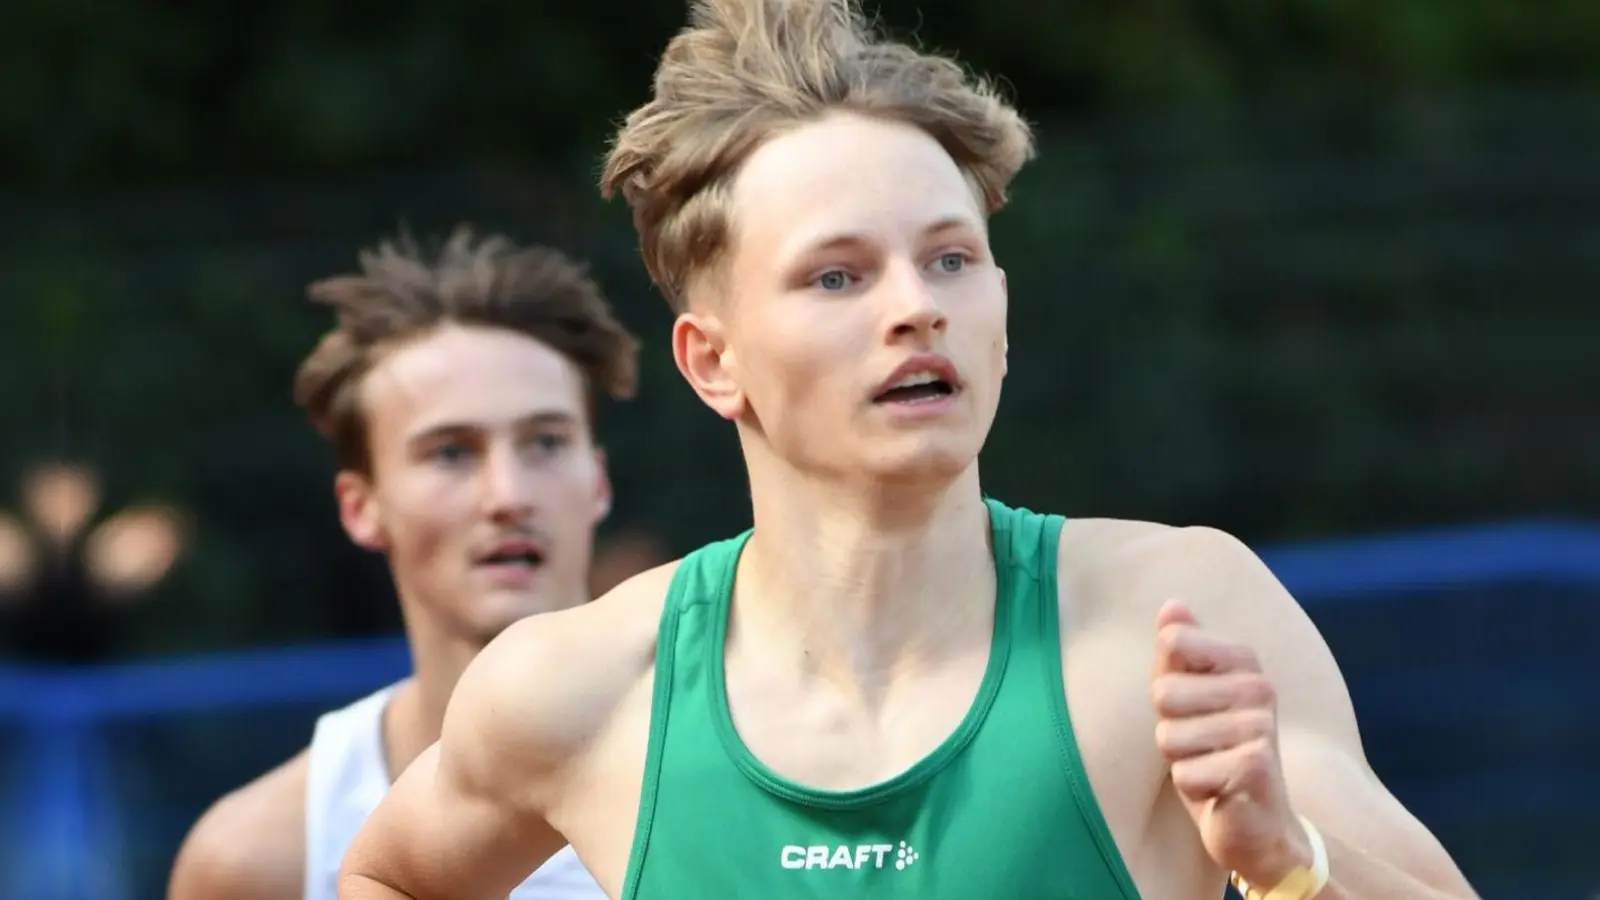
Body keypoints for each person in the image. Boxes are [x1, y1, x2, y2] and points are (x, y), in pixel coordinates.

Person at [336, 2, 1482, 899]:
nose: (915, 309)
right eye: (838, 275)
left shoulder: (1176, 618)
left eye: (949, 258)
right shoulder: (581, 688)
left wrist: (1287, 865)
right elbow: (388, 876)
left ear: (1000, 307)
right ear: (709, 362)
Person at [168, 228, 639, 900]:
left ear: (597, 480)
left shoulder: (753, 791)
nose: (508, 495)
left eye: (544, 441)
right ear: (362, 507)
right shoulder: (263, 857)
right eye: (450, 452)